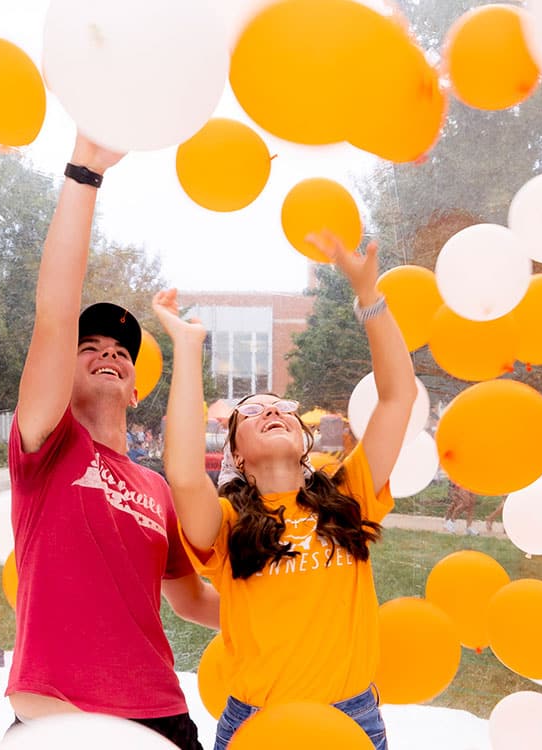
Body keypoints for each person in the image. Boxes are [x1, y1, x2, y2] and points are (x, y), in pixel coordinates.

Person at [155, 228, 417, 750]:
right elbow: (183, 474)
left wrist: (369, 296)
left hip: (353, 720)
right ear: (237, 454)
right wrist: (187, 348)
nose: (273, 410)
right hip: (257, 725)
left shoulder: (350, 493)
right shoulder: (227, 523)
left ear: (303, 437)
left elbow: (397, 397)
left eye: (283, 408)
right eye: (253, 410)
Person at [4, 136, 219, 750]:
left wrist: (288, 607)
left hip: (161, 715)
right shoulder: (45, 446)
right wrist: (86, 172)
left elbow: (191, 601)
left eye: (122, 353)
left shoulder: (159, 487)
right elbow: (55, 310)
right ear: (59, 373)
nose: (109, 355)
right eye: (90, 347)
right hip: (58, 716)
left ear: (133, 389)